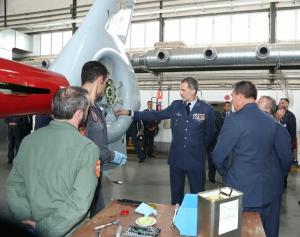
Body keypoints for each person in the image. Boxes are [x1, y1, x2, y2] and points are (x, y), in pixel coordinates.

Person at [5, 86, 100, 237]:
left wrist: (26, 219)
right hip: (67, 231)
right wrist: (43, 228)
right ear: (80, 114)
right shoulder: (88, 149)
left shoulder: (29, 141)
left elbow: (14, 185)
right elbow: (79, 203)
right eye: (87, 110)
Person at [116, 76, 215, 205]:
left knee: (197, 194)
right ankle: (174, 218)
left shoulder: (206, 109)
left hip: (195, 161)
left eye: (183, 90)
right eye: (180, 89)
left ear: (193, 91)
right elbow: (156, 115)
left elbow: (210, 134)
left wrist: (197, 147)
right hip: (176, 160)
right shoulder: (176, 105)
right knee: (176, 195)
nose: (180, 92)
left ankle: (197, 221)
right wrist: (130, 113)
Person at [212, 81, 289, 237]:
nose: (232, 100)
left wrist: (228, 175)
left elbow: (218, 156)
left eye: (233, 96)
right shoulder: (270, 121)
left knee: (242, 231)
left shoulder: (234, 119)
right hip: (265, 191)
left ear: (240, 96)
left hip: (242, 191)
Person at [80, 61, 127, 216]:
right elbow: (94, 150)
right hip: (84, 178)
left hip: (92, 175)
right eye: (106, 82)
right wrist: (113, 156)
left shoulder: (83, 105)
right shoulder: (85, 109)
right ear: (100, 80)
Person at [257, 95, 293, 237]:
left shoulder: (279, 130)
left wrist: (278, 176)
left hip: (271, 186)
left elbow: (286, 160)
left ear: (268, 110)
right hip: (252, 185)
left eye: (257, 107)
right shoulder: (251, 128)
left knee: (270, 225)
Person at [277, 98, 297, 164]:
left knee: (284, 161)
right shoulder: (275, 114)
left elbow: (292, 131)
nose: (281, 104)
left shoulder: (291, 116)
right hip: (277, 142)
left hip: (286, 143)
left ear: (287, 104)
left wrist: (291, 143)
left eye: (283, 103)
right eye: (280, 103)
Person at [206, 109, 222, 183]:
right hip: (202, 141)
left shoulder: (216, 114)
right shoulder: (199, 113)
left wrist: (217, 139)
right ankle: (199, 177)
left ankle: (211, 177)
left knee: (212, 160)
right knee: (199, 160)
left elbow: (220, 128)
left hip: (213, 142)